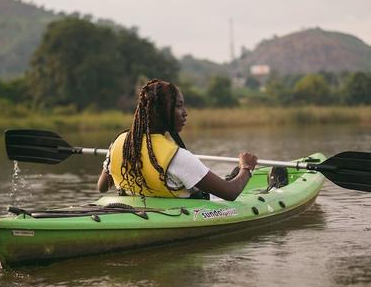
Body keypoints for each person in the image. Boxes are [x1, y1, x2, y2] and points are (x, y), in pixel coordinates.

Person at [97, 79, 257, 201]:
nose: (185, 113)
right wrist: (246, 168)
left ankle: (232, 176)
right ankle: (250, 176)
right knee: (235, 180)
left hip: (136, 208)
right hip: (193, 207)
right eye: (178, 106)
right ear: (160, 112)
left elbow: (102, 187)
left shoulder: (119, 143)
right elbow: (230, 193)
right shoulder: (176, 157)